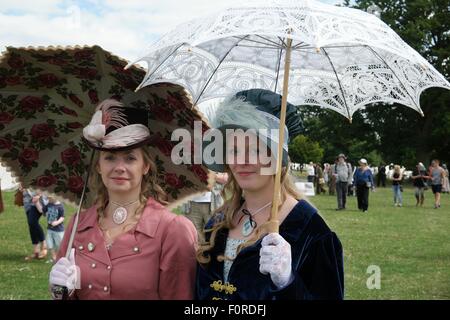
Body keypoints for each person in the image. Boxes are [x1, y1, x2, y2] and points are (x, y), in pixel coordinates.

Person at [196, 89, 344, 300]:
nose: (241, 161)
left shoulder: (312, 232)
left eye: (255, 149)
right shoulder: (217, 223)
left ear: (276, 156)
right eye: (234, 150)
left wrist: (287, 283)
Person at [49, 99, 197, 299]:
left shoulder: (172, 230)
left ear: (145, 166)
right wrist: (61, 293)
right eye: (110, 157)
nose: (119, 166)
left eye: (130, 158)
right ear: (98, 166)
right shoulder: (78, 225)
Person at [21, 185, 48, 260]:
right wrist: (21, 186)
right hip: (27, 198)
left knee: (32, 222)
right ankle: (36, 250)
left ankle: (44, 244)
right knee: (31, 224)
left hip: (38, 198)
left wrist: (39, 195)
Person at [35, 195, 65, 263]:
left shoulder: (60, 206)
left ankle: (60, 257)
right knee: (50, 244)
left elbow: (62, 217)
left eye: (49, 198)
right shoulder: (49, 204)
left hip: (59, 230)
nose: (48, 199)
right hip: (50, 229)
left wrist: (57, 222)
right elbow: (41, 210)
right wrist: (36, 202)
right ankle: (53, 257)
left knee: (59, 244)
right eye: (48, 198)